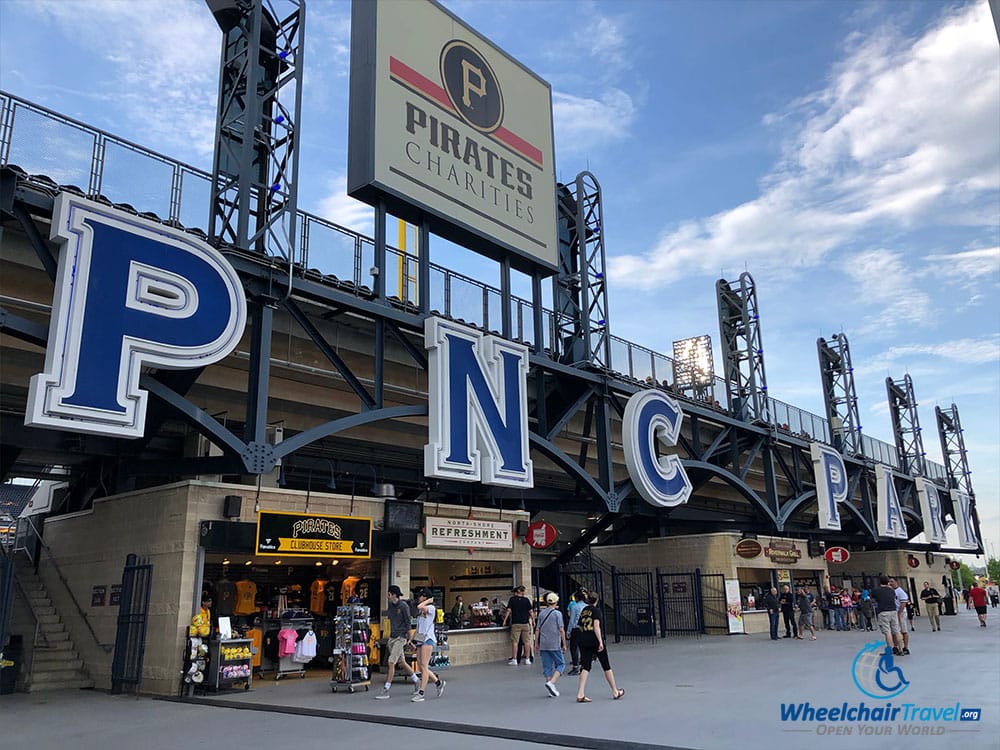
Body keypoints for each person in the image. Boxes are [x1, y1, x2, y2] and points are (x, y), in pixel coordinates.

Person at [574, 592, 624, 702]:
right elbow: (596, 626)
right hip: (594, 639)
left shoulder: (584, 611)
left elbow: (580, 626)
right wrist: (600, 641)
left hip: (584, 639)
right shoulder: (596, 611)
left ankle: (580, 693)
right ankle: (615, 691)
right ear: (597, 600)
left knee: (585, 666)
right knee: (606, 665)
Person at [374, 585, 420, 699]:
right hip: (392, 637)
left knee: (391, 662)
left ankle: (386, 689)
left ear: (394, 594)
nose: (388, 596)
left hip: (401, 638)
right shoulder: (390, 606)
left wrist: (409, 639)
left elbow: (408, 622)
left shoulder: (403, 606)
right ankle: (416, 680)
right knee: (402, 663)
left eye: (389, 594)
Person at [410, 588, 446, 702]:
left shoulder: (431, 608)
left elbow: (420, 606)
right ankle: (438, 683)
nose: (418, 598)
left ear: (425, 597)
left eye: (420, 596)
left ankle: (421, 692)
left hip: (428, 639)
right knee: (421, 665)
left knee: (424, 665)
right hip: (421, 639)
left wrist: (429, 600)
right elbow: (419, 627)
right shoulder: (421, 612)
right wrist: (412, 639)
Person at [534, 592, 567, 697]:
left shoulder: (541, 614)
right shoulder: (558, 614)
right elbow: (561, 630)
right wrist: (564, 644)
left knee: (547, 667)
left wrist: (536, 643)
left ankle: (550, 690)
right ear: (556, 602)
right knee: (561, 664)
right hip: (554, 643)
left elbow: (537, 629)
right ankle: (551, 682)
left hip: (544, 643)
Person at [502, 585, 534, 665]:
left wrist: (505, 620)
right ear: (522, 592)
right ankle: (527, 659)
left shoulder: (512, 600)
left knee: (515, 642)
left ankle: (515, 659)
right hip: (525, 623)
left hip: (516, 623)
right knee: (527, 642)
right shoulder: (526, 600)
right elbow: (531, 611)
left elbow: (508, 610)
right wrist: (533, 620)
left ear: (516, 592)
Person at [872, 576, 904, 656]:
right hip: (893, 611)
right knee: (896, 631)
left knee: (887, 632)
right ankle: (901, 649)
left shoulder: (876, 590)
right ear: (888, 582)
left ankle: (890, 650)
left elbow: (873, 598)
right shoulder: (891, 590)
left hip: (883, 612)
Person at [566, 588, 588, 674]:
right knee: (583, 647)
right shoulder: (586, 606)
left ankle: (575, 666)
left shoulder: (574, 606)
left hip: (576, 629)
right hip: (585, 629)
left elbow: (572, 620)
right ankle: (584, 665)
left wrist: (568, 631)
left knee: (574, 648)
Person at [888, 578, 911, 655]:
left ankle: (906, 647)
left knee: (903, 631)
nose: (890, 583)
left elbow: (903, 603)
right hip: (894, 613)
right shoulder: (891, 591)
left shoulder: (900, 592)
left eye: (892, 581)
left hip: (901, 613)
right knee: (895, 631)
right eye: (889, 582)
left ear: (896, 582)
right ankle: (896, 646)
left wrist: (899, 613)